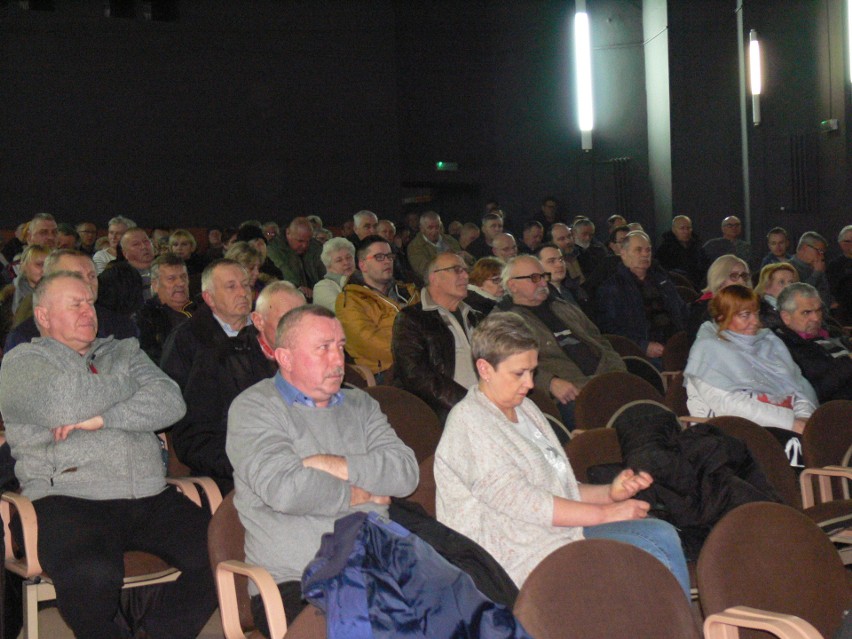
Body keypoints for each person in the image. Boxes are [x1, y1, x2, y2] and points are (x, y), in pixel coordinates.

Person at [0, 271, 216, 639]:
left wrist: (103, 419)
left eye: (90, 302)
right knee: (92, 576)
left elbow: (170, 402)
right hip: (66, 498)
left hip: (148, 494)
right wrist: (130, 385)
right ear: (43, 316)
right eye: (76, 304)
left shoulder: (124, 350)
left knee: (221, 554)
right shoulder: (23, 361)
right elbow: (61, 402)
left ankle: (157, 633)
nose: (89, 311)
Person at [434, 312, 689, 595]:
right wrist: (605, 514)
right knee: (654, 544)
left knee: (659, 533)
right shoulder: (469, 422)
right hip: (517, 554)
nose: (530, 383)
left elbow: (558, 487)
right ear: (484, 369)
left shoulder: (526, 409)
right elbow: (523, 502)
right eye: (519, 373)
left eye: (533, 371)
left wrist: (609, 493)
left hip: (558, 533)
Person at [226, 305, 419, 628]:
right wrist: (359, 494)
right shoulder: (255, 408)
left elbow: (405, 473)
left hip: (378, 564)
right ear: (285, 358)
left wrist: (332, 464)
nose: (338, 360)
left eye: (340, 346)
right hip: (298, 579)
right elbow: (286, 490)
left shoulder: (361, 404)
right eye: (323, 349)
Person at [684, 285, 817, 464]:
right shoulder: (708, 351)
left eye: (756, 313)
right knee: (811, 453)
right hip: (732, 434)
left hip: (785, 427)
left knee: (830, 439)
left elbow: (799, 387)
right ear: (722, 317)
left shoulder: (768, 344)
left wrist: (804, 418)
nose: (755, 322)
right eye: (745, 315)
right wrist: (791, 423)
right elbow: (729, 406)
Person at [502, 255, 625, 432]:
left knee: (645, 407)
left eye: (544, 276)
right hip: (571, 392)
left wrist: (618, 370)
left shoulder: (562, 306)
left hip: (606, 379)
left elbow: (600, 341)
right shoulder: (506, 321)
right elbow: (509, 366)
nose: (543, 283)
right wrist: (549, 383)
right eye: (535, 278)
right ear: (512, 285)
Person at [392, 253, 482, 422]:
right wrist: (468, 403)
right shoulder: (412, 318)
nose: (465, 276)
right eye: (456, 270)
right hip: (444, 410)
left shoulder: (475, 316)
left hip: (487, 403)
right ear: (434, 278)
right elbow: (415, 375)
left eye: (465, 270)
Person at [5, 249, 138, 353]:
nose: (87, 283)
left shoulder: (122, 327)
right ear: (49, 281)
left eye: (92, 276)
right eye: (75, 276)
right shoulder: (25, 337)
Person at [335, 236, 419, 380]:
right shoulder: (350, 300)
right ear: (362, 265)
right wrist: (415, 350)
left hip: (419, 362)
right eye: (379, 257)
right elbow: (368, 343)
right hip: (386, 372)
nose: (387, 261)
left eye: (389, 256)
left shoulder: (408, 292)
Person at [596, 231, 688, 361]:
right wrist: (643, 346)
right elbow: (609, 329)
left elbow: (682, 311)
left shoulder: (662, 281)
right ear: (623, 254)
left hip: (675, 345)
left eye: (648, 250)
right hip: (640, 352)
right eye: (638, 250)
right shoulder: (612, 288)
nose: (645, 254)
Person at [774, 283, 852, 402]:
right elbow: (812, 393)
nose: (816, 318)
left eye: (818, 310)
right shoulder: (784, 347)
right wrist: (848, 362)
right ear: (786, 317)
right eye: (806, 313)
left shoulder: (832, 331)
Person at [136, 254, 195, 363]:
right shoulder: (146, 317)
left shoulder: (203, 308)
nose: (181, 283)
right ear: (155, 285)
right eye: (171, 278)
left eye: (183, 277)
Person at [686, 254, 751, 342]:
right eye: (734, 276)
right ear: (720, 279)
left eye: (744, 276)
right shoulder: (702, 310)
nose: (741, 281)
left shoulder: (753, 304)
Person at [266, 217, 326, 298]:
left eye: (308, 241)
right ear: (288, 233)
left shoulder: (316, 248)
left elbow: (325, 272)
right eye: (300, 241)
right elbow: (284, 273)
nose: (304, 245)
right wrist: (297, 289)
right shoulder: (275, 250)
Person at [406, 210, 463, 281]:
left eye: (437, 227)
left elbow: (463, 263)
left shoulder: (450, 240)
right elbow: (424, 270)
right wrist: (446, 258)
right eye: (430, 228)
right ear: (421, 228)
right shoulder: (414, 246)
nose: (434, 231)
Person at [655, 215, 706, 288]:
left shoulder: (697, 247)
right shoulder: (664, 250)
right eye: (682, 228)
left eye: (688, 228)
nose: (686, 231)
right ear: (674, 230)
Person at [789, 231, 834, 308]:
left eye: (823, 252)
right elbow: (799, 293)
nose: (822, 256)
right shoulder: (788, 268)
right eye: (819, 251)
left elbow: (825, 290)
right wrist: (816, 273)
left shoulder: (816, 265)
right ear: (805, 248)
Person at [313, 237, 356, 312]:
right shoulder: (322, 287)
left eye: (349, 257)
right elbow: (342, 312)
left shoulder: (366, 278)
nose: (346, 262)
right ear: (328, 266)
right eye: (339, 260)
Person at [754, 262, 798, 331]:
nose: (788, 287)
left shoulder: (796, 307)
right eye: (782, 282)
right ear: (767, 287)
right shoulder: (763, 314)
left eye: (791, 282)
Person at [119, 227, 156, 300]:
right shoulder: (120, 277)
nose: (144, 247)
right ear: (125, 253)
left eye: (146, 241)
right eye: (136, 244)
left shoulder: (166, 268)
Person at [12, 244, 49, 314]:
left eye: (48, 265)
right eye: (39, 264)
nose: (45, 269)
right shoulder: (20, 304)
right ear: (23, 266)